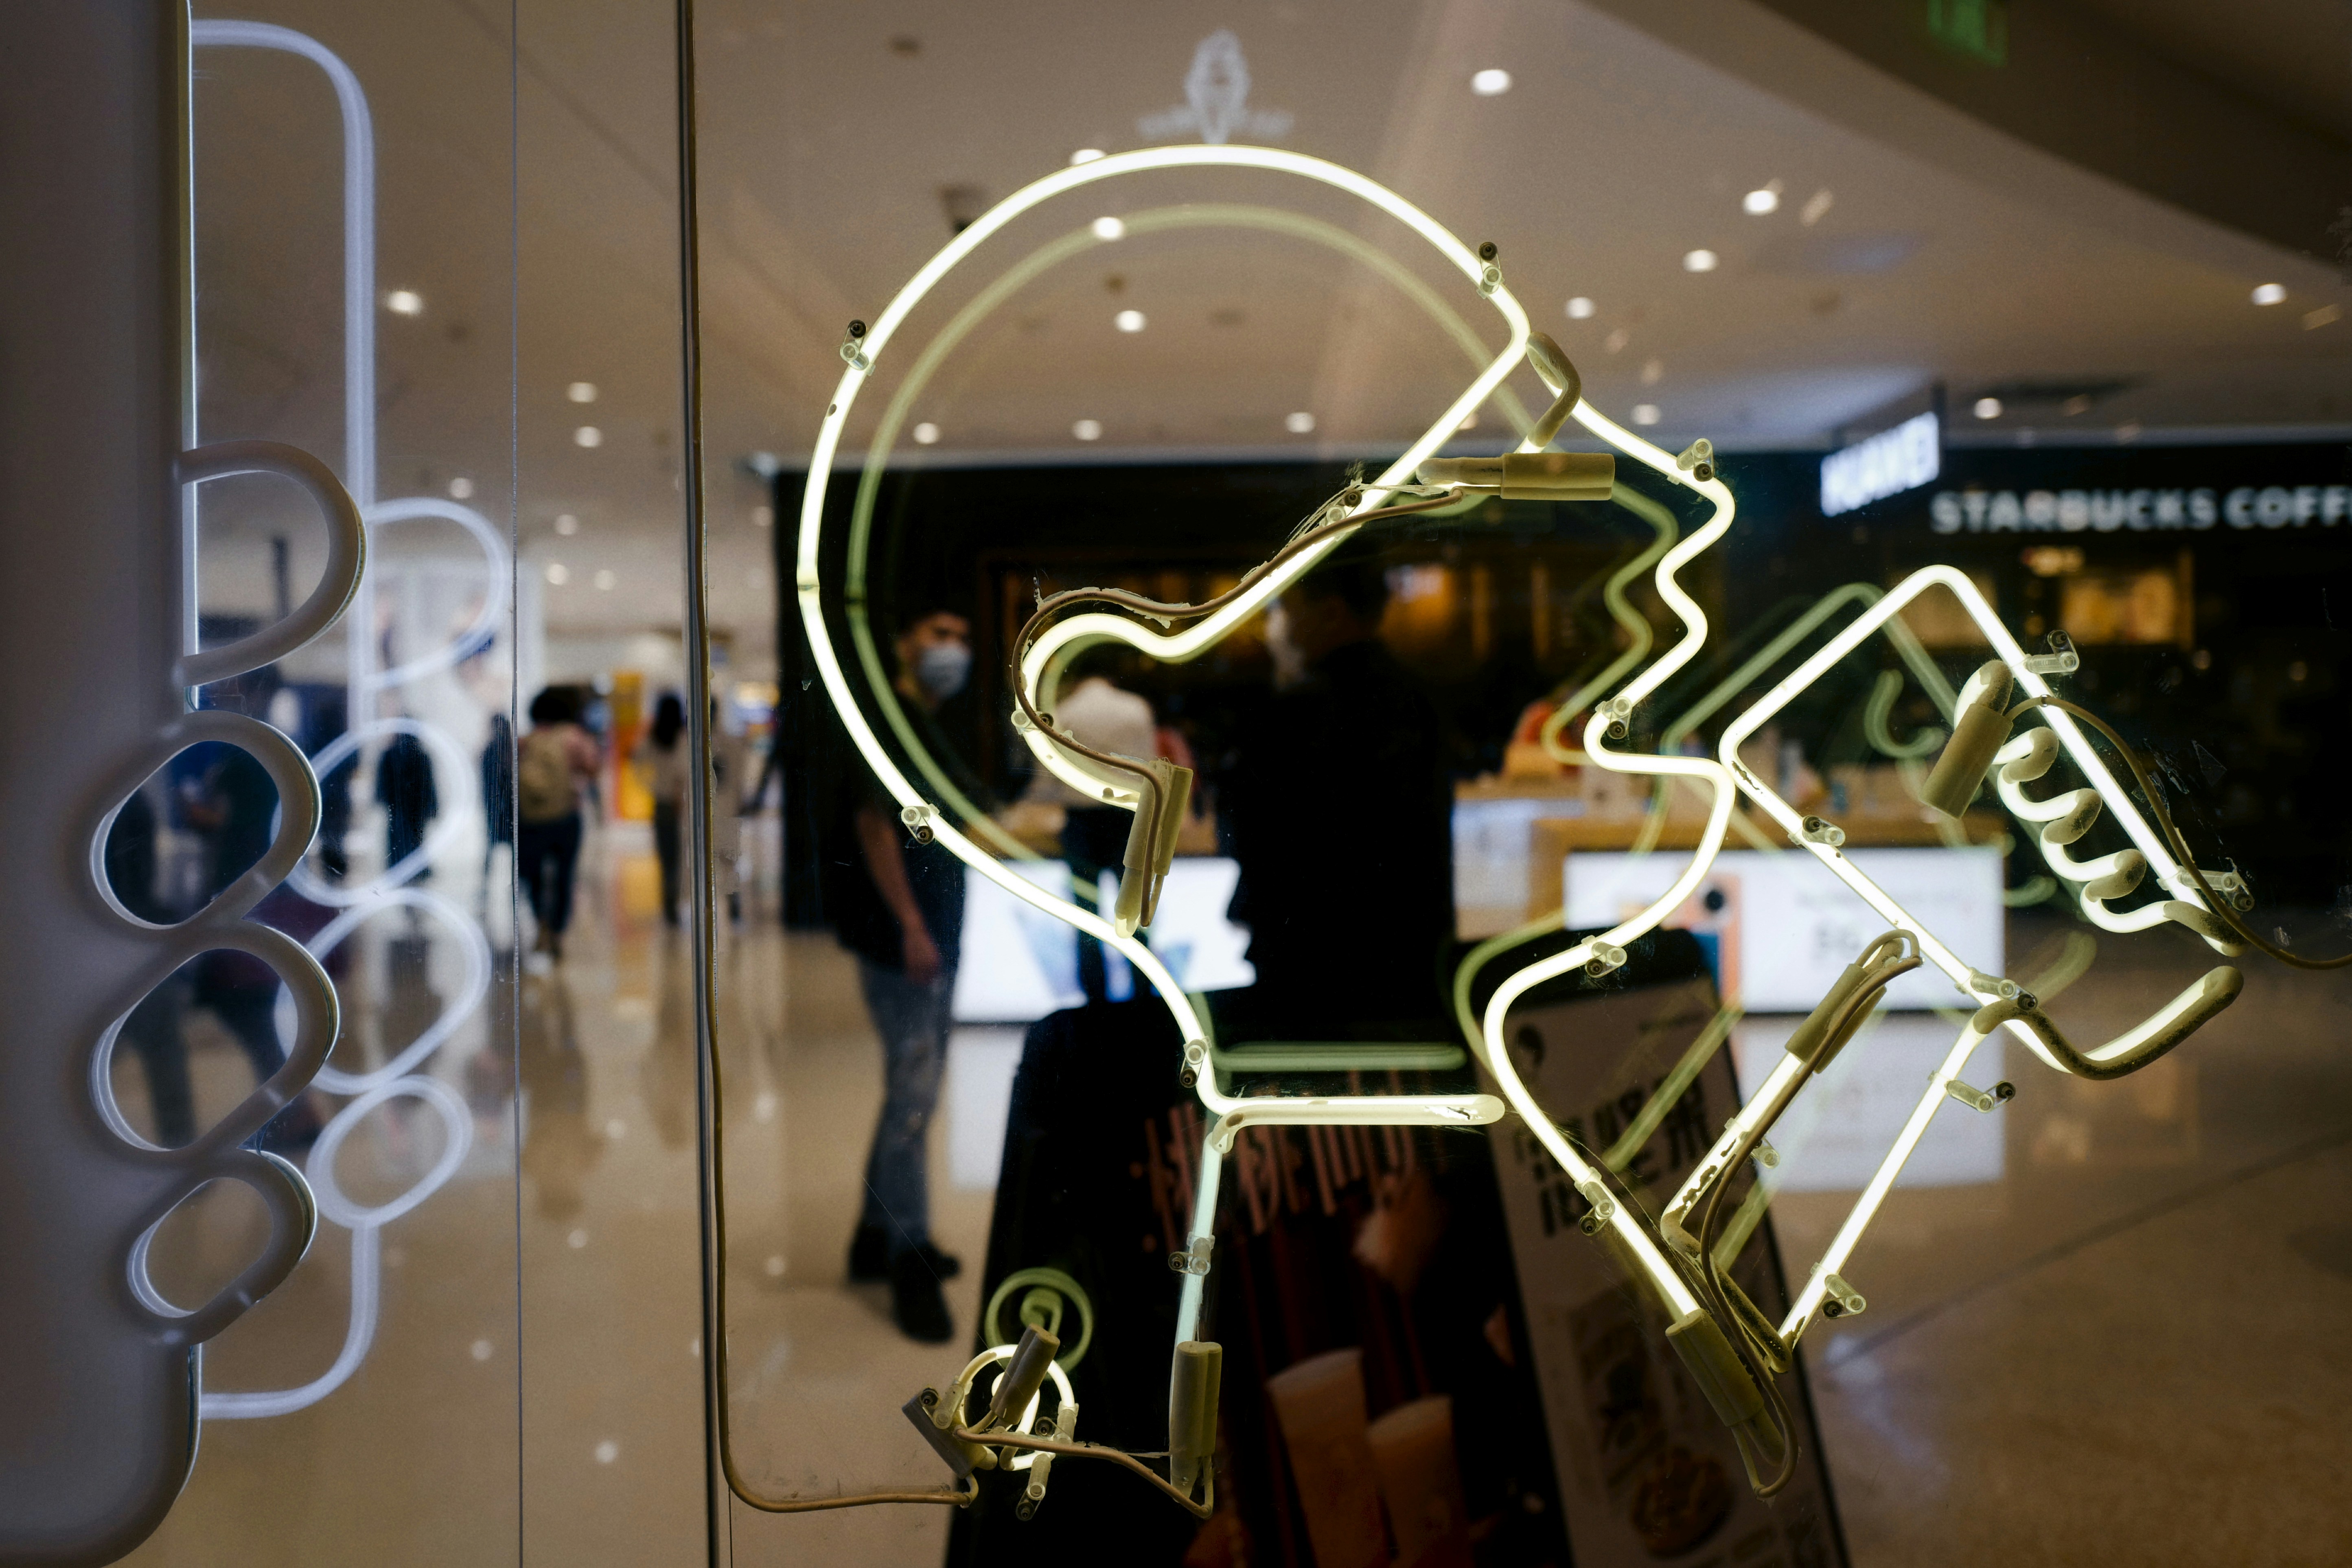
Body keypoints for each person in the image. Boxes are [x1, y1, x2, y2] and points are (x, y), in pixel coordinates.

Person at [825, 605, 976, 1342]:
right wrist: (912, 926)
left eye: (961, 637)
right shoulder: (888, 721)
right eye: (938, 633)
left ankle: (871, 1236)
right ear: (903, 641)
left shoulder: (926, 724)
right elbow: (875, 824)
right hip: (904, 940)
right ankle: (907, 1258)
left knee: (909, 1091)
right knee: (914, 1098)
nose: (953, 649)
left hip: (932, 932)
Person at [1223, 551, 1457, 1026]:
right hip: (1407, 953)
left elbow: (1254, 832)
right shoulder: (1420, 700)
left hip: (1310, 958)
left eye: (1288, 609)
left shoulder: (1299, 710)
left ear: (1330, 612)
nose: (1281, 626)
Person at [1021, 649, 1160, 1003]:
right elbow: (1152, 773)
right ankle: (1143, 996)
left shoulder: (1064, 712)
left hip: (1083, 821)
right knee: (1135, 914)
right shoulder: (1136, 709)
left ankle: (1094, 1002)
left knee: (1086, 916)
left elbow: (1047, 779)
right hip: (1128, 820)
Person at [516, 687, 601, 960]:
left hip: (532, 817)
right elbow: (592, 769)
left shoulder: (526, 740)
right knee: (565, 875)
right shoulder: (575, 737)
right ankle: (557, 931)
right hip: (566, 816)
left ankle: (541, 921)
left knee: (535, 876)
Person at [634, 693, 689, 926]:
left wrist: (655, 788)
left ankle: (670, 905)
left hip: (663, 804)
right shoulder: (684, 736)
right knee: (680, 858)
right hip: (684, 804)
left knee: (668, 859)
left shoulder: (652, 737)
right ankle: (673, 904)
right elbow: (685, 770)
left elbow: (637, 765)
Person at [374, 726, 439, 880]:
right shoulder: (421, 755)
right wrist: (433, 808)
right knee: (415, 840)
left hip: (399, 808)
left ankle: (400, 870)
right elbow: (429, 786)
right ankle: (413, 871)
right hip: (415, 809)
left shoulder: (390, 755)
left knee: (400, 840)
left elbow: (382, 784)